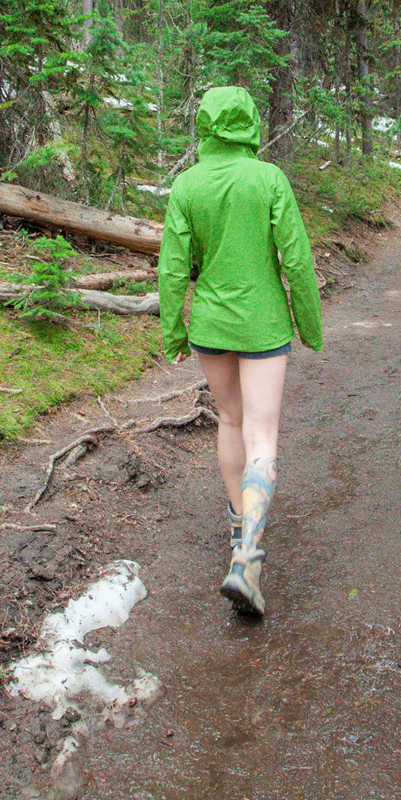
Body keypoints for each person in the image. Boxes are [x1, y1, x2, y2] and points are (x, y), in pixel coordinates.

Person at [157, 86, 323, 618]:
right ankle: (249, 556)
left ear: (204, 125)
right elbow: (296, 259)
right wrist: (310, 326)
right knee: (262, 434)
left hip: (210, 321)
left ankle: (237, 535)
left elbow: (172, 268)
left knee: (229, 421)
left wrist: (173, 333)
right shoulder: (269, 179)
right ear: (250, 123)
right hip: (264, 321)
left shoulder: (186, 184)